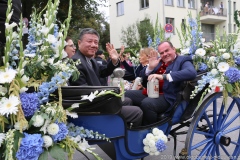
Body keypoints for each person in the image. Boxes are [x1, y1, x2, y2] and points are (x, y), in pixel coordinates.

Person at [69, 28, 143, 127]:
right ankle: (123, 137)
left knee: (127, 100)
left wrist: (114, 61)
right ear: (79, 43)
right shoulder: (76, 61)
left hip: (98, 99)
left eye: (96, 42)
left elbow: (104, 71)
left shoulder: (90, 60)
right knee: (137, 112)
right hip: (92, 107)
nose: (93, 45)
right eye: (89, 41)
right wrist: (109, 96)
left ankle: (121, 131)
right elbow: (84, 92)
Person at [125, 41, 197, 125]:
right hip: (151, 91)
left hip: (168, 96)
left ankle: (149, 131)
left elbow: (191, 73)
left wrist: (164, 76)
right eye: (162, 53)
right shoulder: (159, 61)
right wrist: (150, 68)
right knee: (125, 94)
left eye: (167, 51)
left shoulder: (182, 60)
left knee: (147, 103)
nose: (165, 54)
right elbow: (142, 78)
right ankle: (131, 123)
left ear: (173, 49)